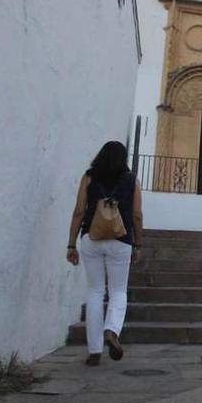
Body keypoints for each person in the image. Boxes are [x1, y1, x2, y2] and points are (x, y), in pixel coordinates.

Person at [66, 141, 142, 366]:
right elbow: (137, 214)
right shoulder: (131, 179)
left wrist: (71, 244)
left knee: (95, 291)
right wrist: (138, 244)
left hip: (92, 237)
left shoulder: (89, 177)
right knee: (118, 290)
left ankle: (94, 350)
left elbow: (79, 211)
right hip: (121, 240)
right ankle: (112, 330)